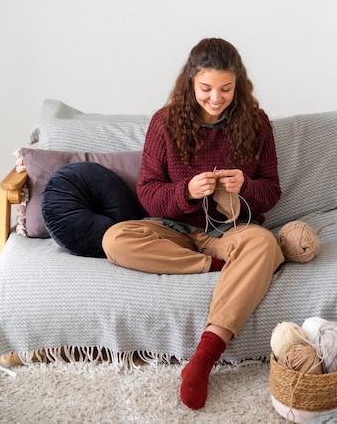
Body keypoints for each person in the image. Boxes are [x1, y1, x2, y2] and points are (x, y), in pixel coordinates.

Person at [102, 37, 284, 410]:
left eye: (225, 89)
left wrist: (245, 186)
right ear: (190, 82)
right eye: (206, 89)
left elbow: (272, 192)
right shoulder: (164, 123)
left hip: (230, 232)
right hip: (174, 231)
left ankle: (203, 358)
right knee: (115, 239)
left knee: (265, 244)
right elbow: (148, 194)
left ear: (239, 84)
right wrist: (185, 190)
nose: (216, 98)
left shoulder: (258, 123)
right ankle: (215, 267)